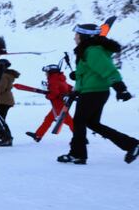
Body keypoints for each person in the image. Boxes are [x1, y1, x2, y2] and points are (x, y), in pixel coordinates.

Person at [57, 23, 139, 164]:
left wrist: (120, 88)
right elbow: (89, 71)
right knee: (92, 123)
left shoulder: (93, 51)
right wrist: (76, 76)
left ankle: (78, 154)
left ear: (83, 36)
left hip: (93, 92)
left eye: (76, 35)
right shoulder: (88, 50)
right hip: (92, 91)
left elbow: (108, 70)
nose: (74, 37)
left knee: (79, 122)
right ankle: (131, 144)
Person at [26, 64, 73, 142]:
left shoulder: (53, 80)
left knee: (70, 122)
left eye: (46, 72)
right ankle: (38, 135)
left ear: (51, 72)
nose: (45, 74)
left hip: (58, 106)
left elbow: (54, 94)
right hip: (59, 105)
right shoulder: (61, 79)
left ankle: (80, 137)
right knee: (48, 119)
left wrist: (48, 96)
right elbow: (69, 88)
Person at [0, 59, 19, 145]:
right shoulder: (7, 75)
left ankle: (7, 139)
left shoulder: (3, 76)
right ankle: (6, 138)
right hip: (4, 100)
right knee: (0, 120)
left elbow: (0, 88)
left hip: (3, 101)